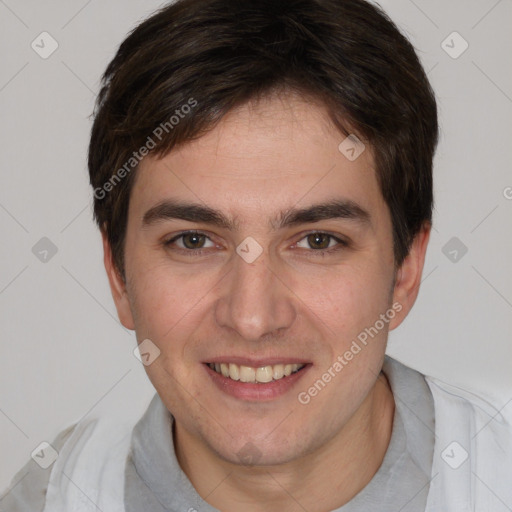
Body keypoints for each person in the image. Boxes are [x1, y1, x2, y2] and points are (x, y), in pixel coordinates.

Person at [2, 0, 511, 510]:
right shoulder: (51, 497)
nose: (251, 318)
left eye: (318, 241)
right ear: (118, 275)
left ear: (405, 271)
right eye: (193, 241)